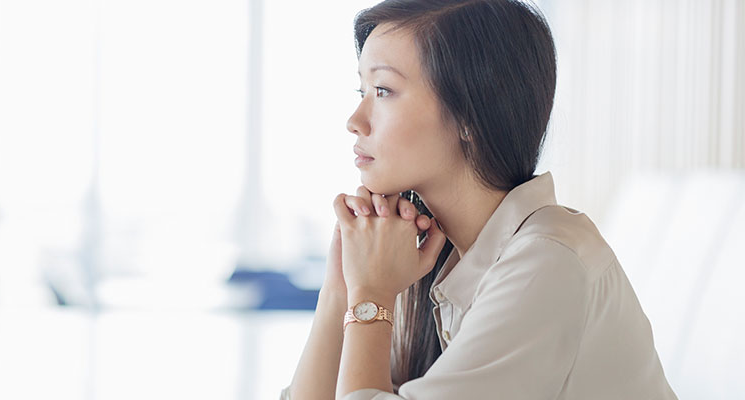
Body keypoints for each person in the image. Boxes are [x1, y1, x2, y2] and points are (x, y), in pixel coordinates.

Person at [283, 0, 678, 399]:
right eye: (362, 90)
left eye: (383, 90)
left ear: (471, 117)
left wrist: (371, 298)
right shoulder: (426, 258)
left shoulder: (548, 262)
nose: (355, 119)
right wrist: (342, 289)